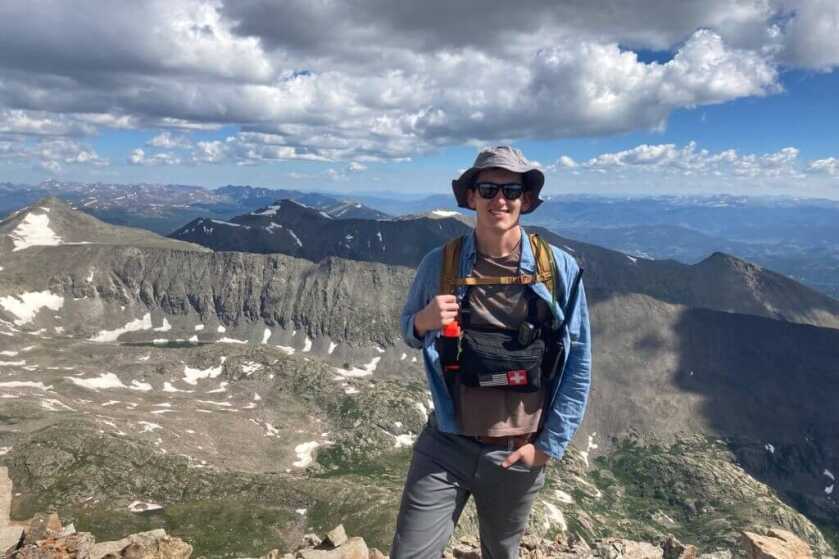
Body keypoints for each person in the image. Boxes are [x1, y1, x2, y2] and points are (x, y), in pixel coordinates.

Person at [390, 146, 592, 559]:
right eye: (488, 189)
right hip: (446, 442)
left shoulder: (558, 270)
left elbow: (579, 363)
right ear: (470, 197)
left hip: (515, 451)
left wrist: (548, 446)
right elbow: (409, 330)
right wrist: (423, 321)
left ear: (526, 201)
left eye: (511, 191)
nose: (500, 200)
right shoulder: (441, 263)